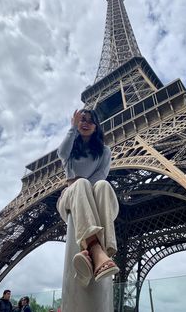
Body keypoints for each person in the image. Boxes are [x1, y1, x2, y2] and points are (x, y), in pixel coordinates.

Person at [57, 109, 119, 287]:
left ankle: (93, 258)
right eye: (82, 120)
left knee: (103, 185)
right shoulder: (70, 150)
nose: (85, 123)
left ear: (96, 126)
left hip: (94, 197)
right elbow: (61, 153)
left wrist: (80, 181)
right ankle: (96, 249)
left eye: (91, 121)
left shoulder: (104, 151)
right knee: (81, 184)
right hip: (70, 199)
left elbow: (101, 175)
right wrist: (72, 128)